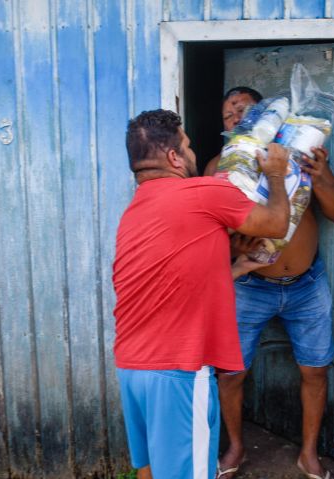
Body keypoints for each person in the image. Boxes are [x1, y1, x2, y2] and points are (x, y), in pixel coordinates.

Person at [113, 109, 292, 479]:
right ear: (174, 157)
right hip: (178, 368)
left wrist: (236, 269)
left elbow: (170, 280)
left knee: (148, 471)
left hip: (132, 367)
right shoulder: (203, 192)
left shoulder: (135, 210)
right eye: (189, 146)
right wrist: (276, 173)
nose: (193, 154)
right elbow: (275, 222)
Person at [207, 89, 334, 479]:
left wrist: (319, 178)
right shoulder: (220, 167)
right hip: (249, 288)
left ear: (267, 116)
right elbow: (204, 236)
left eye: (242, 108)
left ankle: (308, 454)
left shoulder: (300, 156)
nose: (235, 116)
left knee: (315, 370)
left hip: (307, 285)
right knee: (231, 373)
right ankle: (235, 447)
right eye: (226, 114)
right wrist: (233, 247)